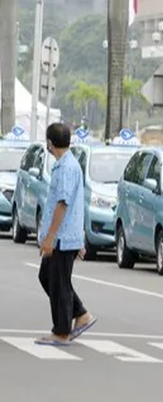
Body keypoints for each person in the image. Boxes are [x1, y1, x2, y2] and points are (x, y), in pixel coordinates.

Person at [35, 123, 96, 346]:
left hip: (62, 238)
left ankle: (62, 331)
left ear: (50, 143)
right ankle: (80, 314)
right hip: (65, 236)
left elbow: (63, 204)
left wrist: (51, 237)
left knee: (58, 283)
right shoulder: (65, 165)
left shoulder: (67, 168)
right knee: (48, 277)